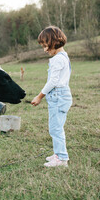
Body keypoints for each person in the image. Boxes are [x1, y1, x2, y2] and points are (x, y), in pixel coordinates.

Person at [31, 26, 73, 167]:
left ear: (54, 42)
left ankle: (61, 159)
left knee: (56, 128)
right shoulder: (64, 56)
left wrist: (39, 96)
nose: (45, 50)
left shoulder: (56, 60)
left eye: (46, 46)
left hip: (58, 96)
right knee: (56, 126)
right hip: (62, 95)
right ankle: (58, 153)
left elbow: (53, 82)